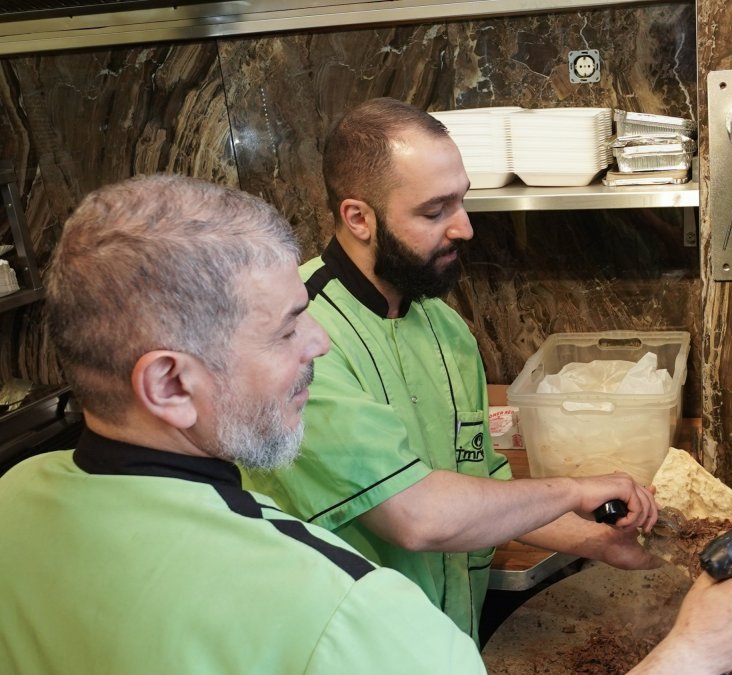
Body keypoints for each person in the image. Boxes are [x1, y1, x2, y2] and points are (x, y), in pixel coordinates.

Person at [0, 173, 732, 675]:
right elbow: (416, 516)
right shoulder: (345, 614)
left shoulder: (16, 497)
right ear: (170, 382)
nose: (319, 338)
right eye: (285, 329)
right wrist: (696, 649)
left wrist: (586, 535)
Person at [246, 97, 665, 643]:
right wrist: (572, 489)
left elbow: (482, 488)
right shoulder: (296, 337)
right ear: (358, 217)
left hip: (444, 642)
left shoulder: (447, 330)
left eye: (462, 202)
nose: (464, 228)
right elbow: (416, 517)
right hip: (348, 648)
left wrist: (595, 540)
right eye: (433, 211)